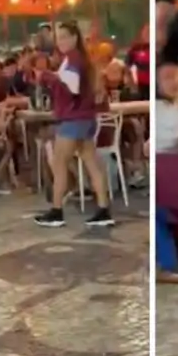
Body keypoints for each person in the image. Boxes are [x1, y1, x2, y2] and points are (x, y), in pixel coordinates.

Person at [33, 21, 115, 228]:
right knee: (91, 164)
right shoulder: (82, 60)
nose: (59, 42)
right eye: (57, 38)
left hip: (73, 118)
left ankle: (56, 210)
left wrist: (47, 78)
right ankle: (103, 209)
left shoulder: (73, 60)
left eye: (63, 37)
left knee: (59, 163)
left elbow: (71, 88)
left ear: (74, 38)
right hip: (85, 118)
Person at [126, 23, 152, 98]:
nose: (148, 34)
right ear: (141, 33)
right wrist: (132, 84)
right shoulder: (135, 48)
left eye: (150, 31)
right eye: (146, 31)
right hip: (141, 86)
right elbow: (127, 67)